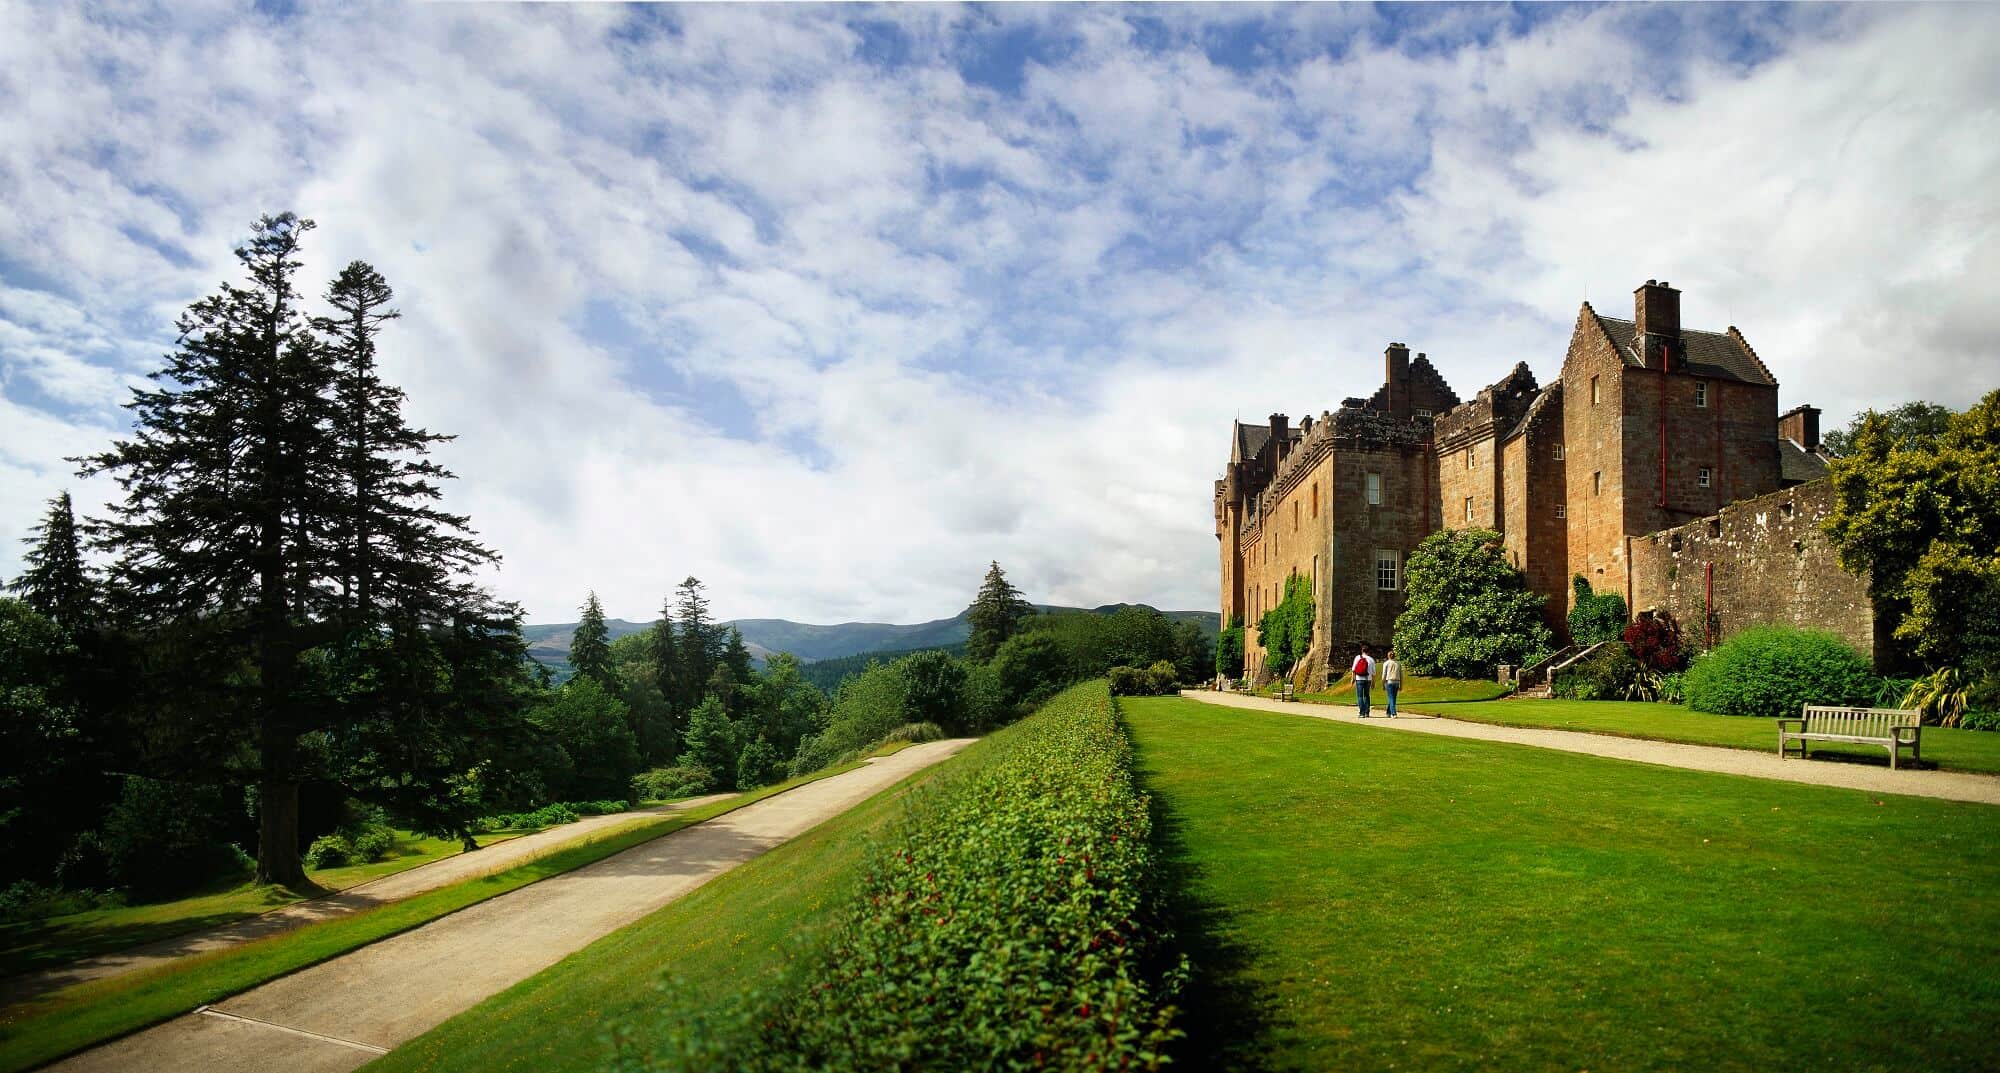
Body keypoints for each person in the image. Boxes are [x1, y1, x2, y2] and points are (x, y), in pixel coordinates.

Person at [1352, 646, 1374, 717]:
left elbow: (1353, 669)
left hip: (1359, 678)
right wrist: (1373, 682)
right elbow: (1373, 673)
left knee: (1360, 696)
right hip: (1368, 679)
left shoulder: (1358, 657)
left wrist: (1353, 678)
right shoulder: (1371, 659)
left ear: (1362, 651)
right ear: (1368, 651)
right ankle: (1367, 712)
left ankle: (1362, 712)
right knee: (1367, 696)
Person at [1381, 648, 1404, 718]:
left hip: (1389, 681)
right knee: (1393, 698)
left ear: (1388, 656)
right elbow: (1401, 675)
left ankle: (1393, 713)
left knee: (1391, 698)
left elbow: (1384, 675)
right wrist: (1401, 685)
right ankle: (1388, 712)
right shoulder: (1398, 663)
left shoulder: (1386, 663)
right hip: (1397, 682)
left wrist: (1383, 684)